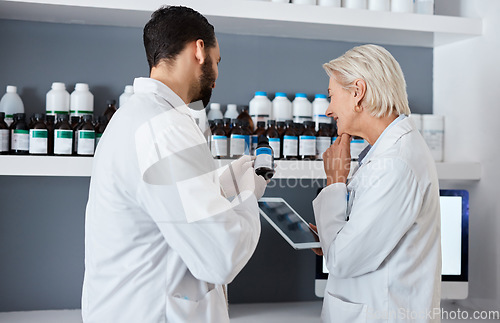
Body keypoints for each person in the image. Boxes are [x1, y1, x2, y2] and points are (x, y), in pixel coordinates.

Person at [81, 6, 267, 323]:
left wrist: (221, 183)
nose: (217, 77)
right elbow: (222, 256)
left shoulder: (137, 116)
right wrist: (247, 196)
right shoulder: (164, 128)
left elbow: (167, 205)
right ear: (199, 50)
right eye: (217, 61)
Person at [311, 44, 441, 323]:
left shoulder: (396, 163)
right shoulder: (384, 154)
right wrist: (330, 238)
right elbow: (365, 241)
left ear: (358, 92)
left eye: (332, 96)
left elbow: (343, 261)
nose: (328, 110)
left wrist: (335, 181)